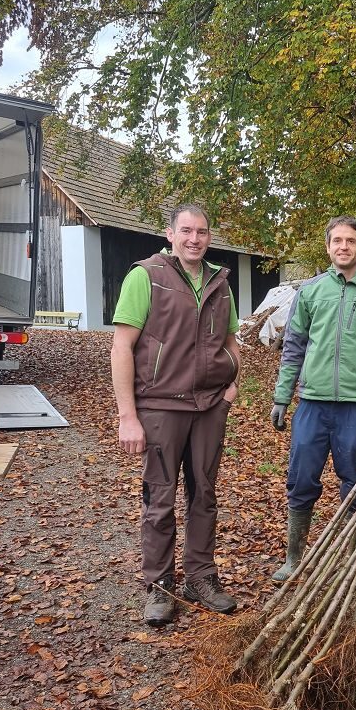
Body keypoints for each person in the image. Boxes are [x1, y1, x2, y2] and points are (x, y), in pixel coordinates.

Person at [111, 203, 240, 626]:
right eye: (186, 231)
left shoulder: (220, 283)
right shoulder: (146, 276)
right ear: (170, 234)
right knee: (159, 499)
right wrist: (128, 416)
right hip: (161, 405)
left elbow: (230, 341)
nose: (194, 239)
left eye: (201, 232)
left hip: (209, 406)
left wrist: (232, 384)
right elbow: (122, 347)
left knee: (204, 495)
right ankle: (160, 585)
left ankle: (200, 578)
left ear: (209, 236)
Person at [270, 215, 356, 581]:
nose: (343, 246)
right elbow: (293, 347)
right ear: (328, 247)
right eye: (337, 241)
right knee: (301, 480)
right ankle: (294, 558)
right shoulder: (310, 291)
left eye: (350, 241)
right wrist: (282, 397)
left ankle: (350, 561)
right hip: (312, 404)